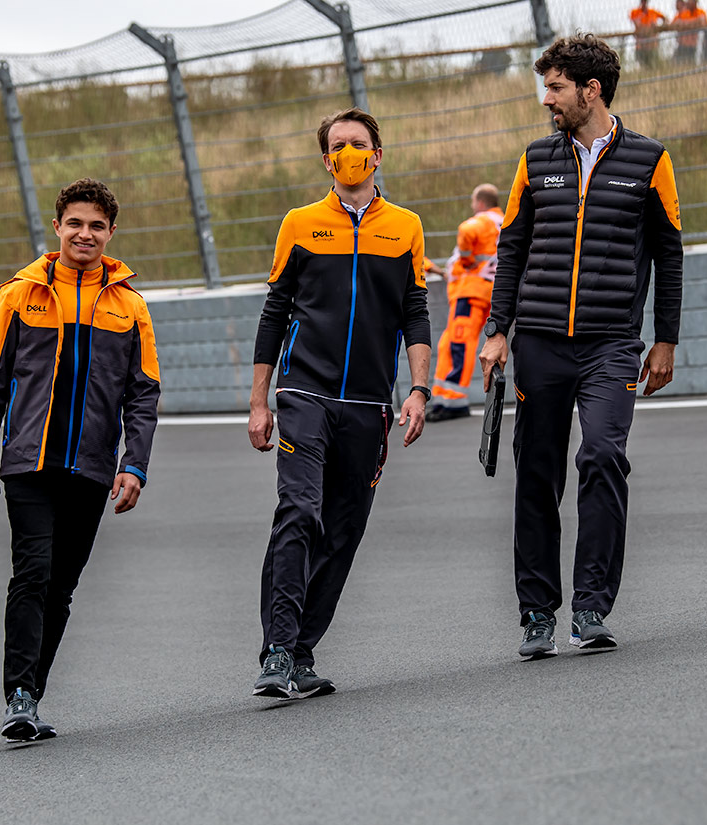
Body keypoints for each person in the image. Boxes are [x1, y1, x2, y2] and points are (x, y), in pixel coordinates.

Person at [481, 34, 684, 660]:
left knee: (601, 457)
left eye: (556, 87)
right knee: (536, 475)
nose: (548, 100)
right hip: (539, 344)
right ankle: (538, 612)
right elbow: (511, 248)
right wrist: (497, 329)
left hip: (612, 346)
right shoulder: (533, 159)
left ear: (590, 91)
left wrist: (666, 340)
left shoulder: (652, 159)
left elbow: (669, 256)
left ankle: (591, 605)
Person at [0, 178, 160, 741]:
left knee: (62, 586)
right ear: (57, 227)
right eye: (75, 223)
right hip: (28, 463)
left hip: (93, 467)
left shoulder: (130, 305)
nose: (85, 233)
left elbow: (143, 395)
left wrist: (133, 463)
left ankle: (31, 694)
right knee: (34, 572)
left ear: (111, 233)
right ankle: (18, 694)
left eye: (96, 225)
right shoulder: (19, 295)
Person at [248, 107, 432, 699]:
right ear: (326, 159)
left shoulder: (405, 226)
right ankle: (276, 650)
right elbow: (274, 312)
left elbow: (415, 313)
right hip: (303, 392)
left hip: (370, 403)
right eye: (337, 146)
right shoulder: (299, 223)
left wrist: (420, 389)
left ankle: (302, 649)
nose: (348, 153)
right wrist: (259, 401)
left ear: (378, 154)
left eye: (358, 144)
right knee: (299, 511)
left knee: (344, 528)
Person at [428, 183, 504, 421]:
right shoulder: (502, 222)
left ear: (480, 203)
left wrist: (468, 260)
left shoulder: (483, 220)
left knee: (459, 343)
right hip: (480, 291)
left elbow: (466, 229)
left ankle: (452, 402)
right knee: (448, 343)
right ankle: (443, 398)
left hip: (471, 292)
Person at [630, 0, 668, 69]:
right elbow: (636, 24)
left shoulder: (652, 12)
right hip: (641, 46)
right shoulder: (635, 12)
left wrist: (659, 27)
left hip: (652, 46)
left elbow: (665, 19)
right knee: (642, 66)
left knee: (653, 66)